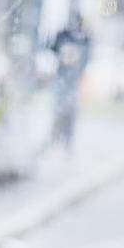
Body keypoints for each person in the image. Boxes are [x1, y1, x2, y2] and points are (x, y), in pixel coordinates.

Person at [50, 12, 92, 151]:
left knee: (67, 113)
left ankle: (62, 142)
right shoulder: (80, 39)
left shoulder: (76, 38)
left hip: (69, 82)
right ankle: (58, 141)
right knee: (62, 112)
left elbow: (53, 49)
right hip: (64, 81)